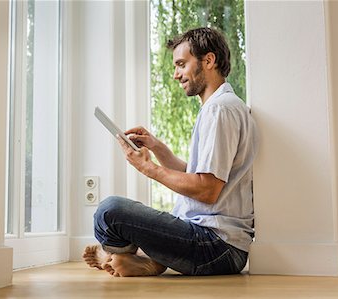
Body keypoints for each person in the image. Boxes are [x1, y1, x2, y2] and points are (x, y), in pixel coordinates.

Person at [83, 27, 258, 277]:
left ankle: (131, 257)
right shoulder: (223, 107)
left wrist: (149, 168)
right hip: (217, 244)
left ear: (208, 60)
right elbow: (197, 176)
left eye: (181, 64)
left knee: (108, 211)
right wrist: (157, 147)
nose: (176, 74)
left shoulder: (220, 111)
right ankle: (146, 259)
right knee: (112, 211)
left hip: (216, 247)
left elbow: (207, 190)